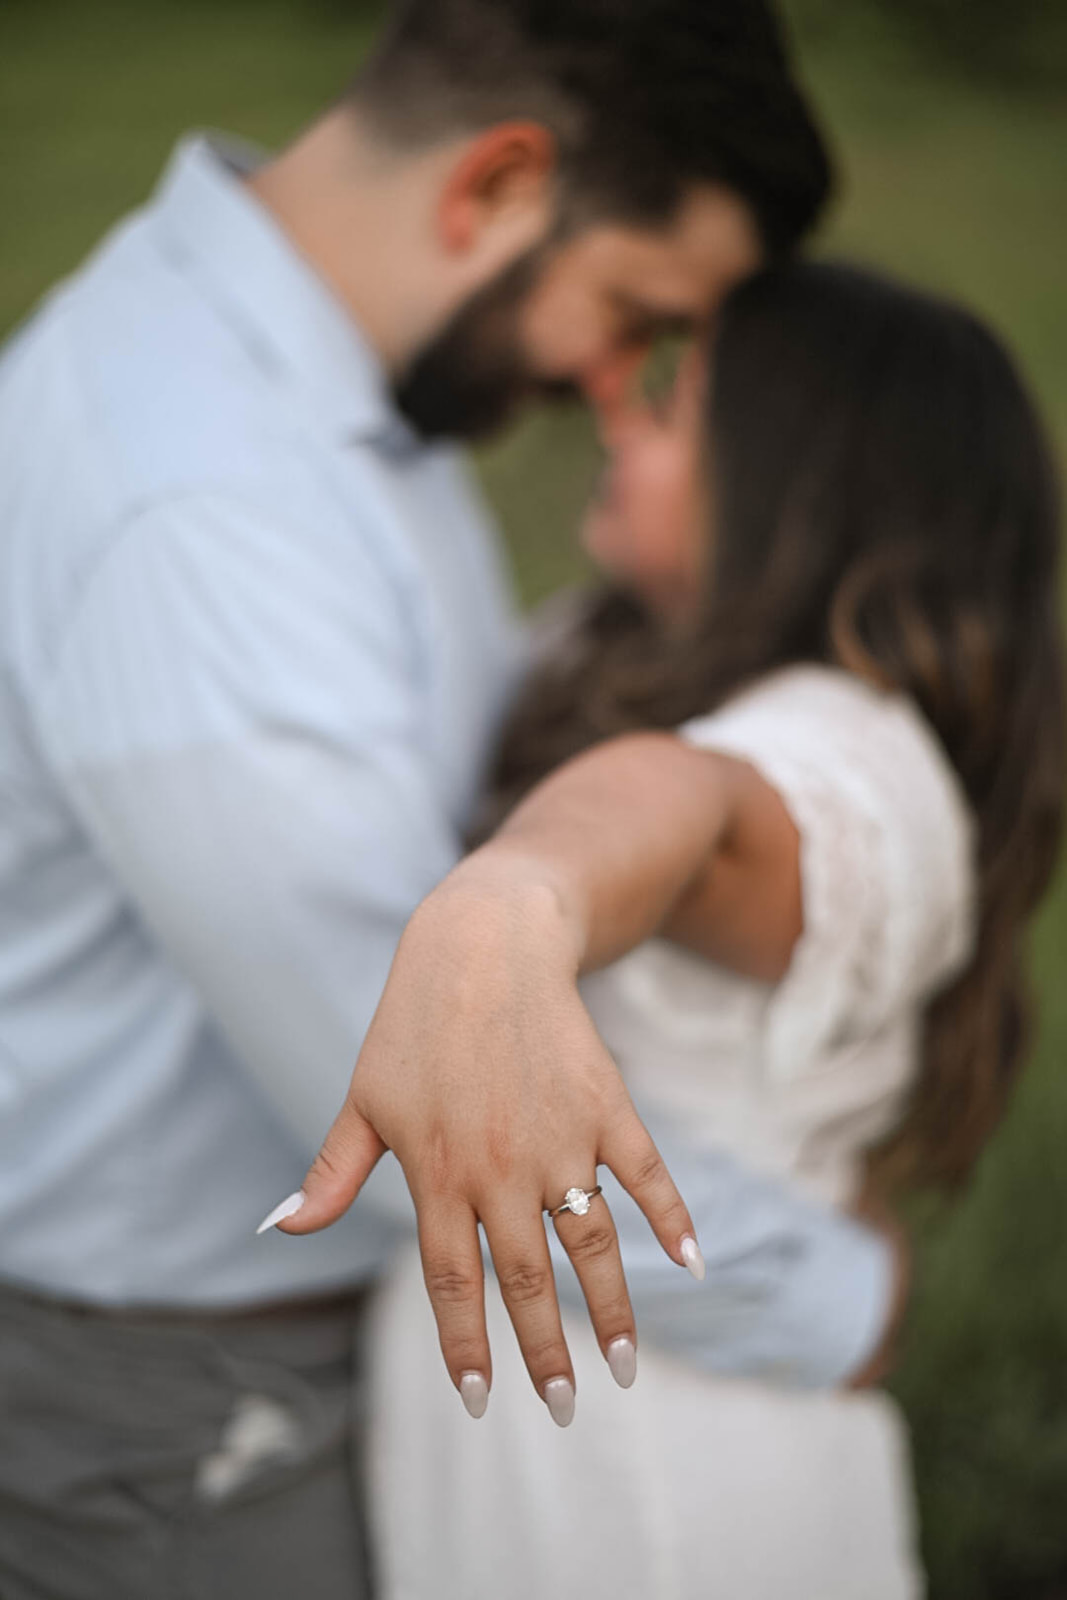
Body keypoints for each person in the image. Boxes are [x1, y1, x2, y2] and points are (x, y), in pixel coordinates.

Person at [0, 4, 903, 1597]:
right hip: (183, 1413)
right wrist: (831, 1298)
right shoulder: (197, 500)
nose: (618, 388)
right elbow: (437, 1076)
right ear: (494, 183)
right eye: (633, 312)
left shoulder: (341, 394)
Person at [288, 262, 1065, 1598]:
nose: (619, 420)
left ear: (794, 484)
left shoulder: (853, 760)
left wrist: (512, 898)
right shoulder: (620, 643)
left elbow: (687, 807)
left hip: (661, 1491)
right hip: (536, 1446)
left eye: (675, 402)